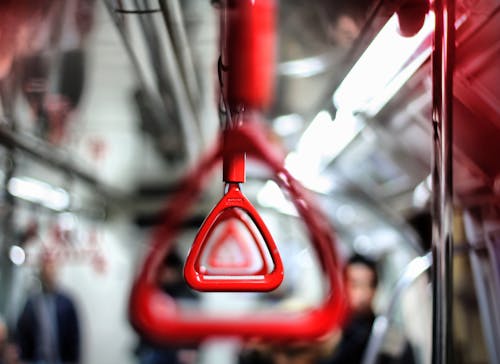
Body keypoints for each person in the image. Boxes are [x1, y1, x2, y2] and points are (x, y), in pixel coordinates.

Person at [16, 251, 80, 364]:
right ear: (41, 274)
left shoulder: (67, 303)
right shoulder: (32, 302)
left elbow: (74, 337)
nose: (49, 273)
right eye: (46, 270)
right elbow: (22, 333)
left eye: (52, 270)